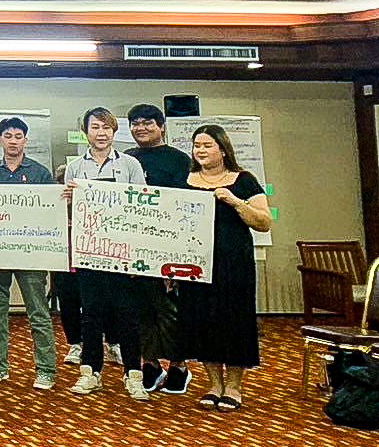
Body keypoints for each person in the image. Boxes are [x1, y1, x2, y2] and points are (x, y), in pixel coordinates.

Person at [179, 125, 272, 412]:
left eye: (207, 145)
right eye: (197, 145)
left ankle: (233, 386)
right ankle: (214, 384)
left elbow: (264, 222)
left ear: (222, 149)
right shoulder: (184, 180)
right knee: (203, 321)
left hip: (233, 263)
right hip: (196, 265)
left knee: (234, 320)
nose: (200, 150)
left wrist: (235, 202)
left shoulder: (243, 180)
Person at [62, 107, 149, 402]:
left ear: (114, 131)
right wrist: (69, 200)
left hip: (122, 250)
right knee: (91, 313)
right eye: (95, 127)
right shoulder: (75, 167)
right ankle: (90, 372)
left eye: (107, 128)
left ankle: (133, 375)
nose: (101, 133)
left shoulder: (130, 164)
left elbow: (143, 206)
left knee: (127, 314)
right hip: (89, 251)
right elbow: (70, 213)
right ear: (86, 132)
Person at [0, 118, 59, 391]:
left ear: (26, 140)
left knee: (38, 312)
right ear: (0, 140)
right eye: (8, 135)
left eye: (18, 136)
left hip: (31, 254)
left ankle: (46, 370)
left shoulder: (40, 173)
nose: (13, 140)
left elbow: (50, 213)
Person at [126, 104, 196, 396]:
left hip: (169, 245)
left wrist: (177, 254)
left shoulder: (180, 160)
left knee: (169, 311)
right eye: (136, 123)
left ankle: (179, 366)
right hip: (133, 246)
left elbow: (185, 205)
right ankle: (151, 364)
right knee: (140, 309)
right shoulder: (126, 158)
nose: (141, 128)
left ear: (161, 127)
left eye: (148, 123)